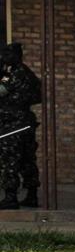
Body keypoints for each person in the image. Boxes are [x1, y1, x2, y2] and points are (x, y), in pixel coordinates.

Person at [0, 43, 42, 209]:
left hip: (12, 124)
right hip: (25, 121)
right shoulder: (27, 73)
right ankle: (32, 196)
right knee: (27, 160)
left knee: (9, 160)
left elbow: (2, 91)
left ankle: (11, 198)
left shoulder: (12, 74)